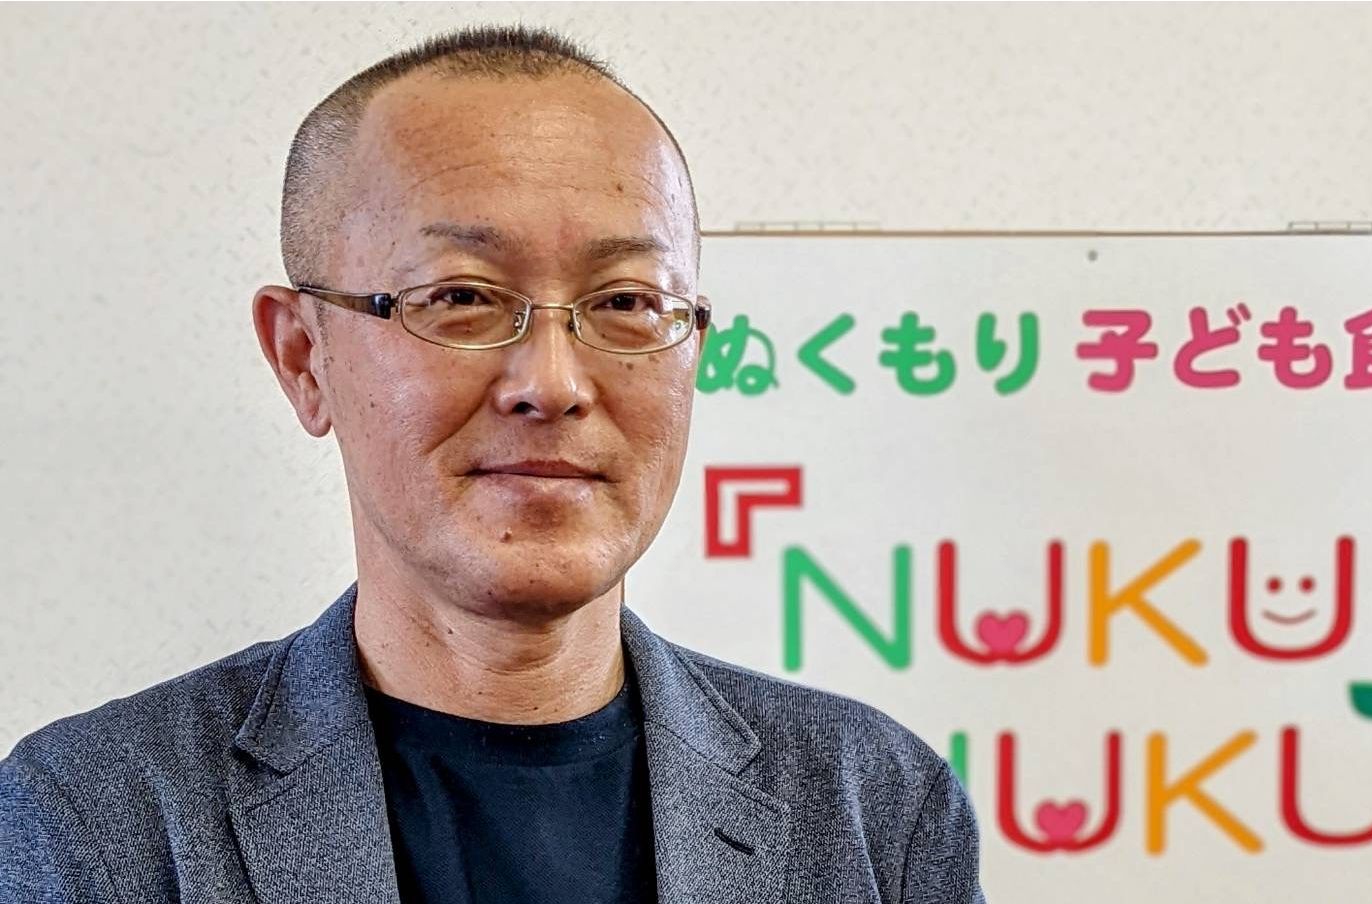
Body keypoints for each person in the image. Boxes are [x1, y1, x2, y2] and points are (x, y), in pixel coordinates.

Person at [0, 25, 985, 904]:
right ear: (304, 357)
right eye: (462, 297)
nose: (551, 383)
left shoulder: (875, 809)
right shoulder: (94, 820)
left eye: (626, 303)